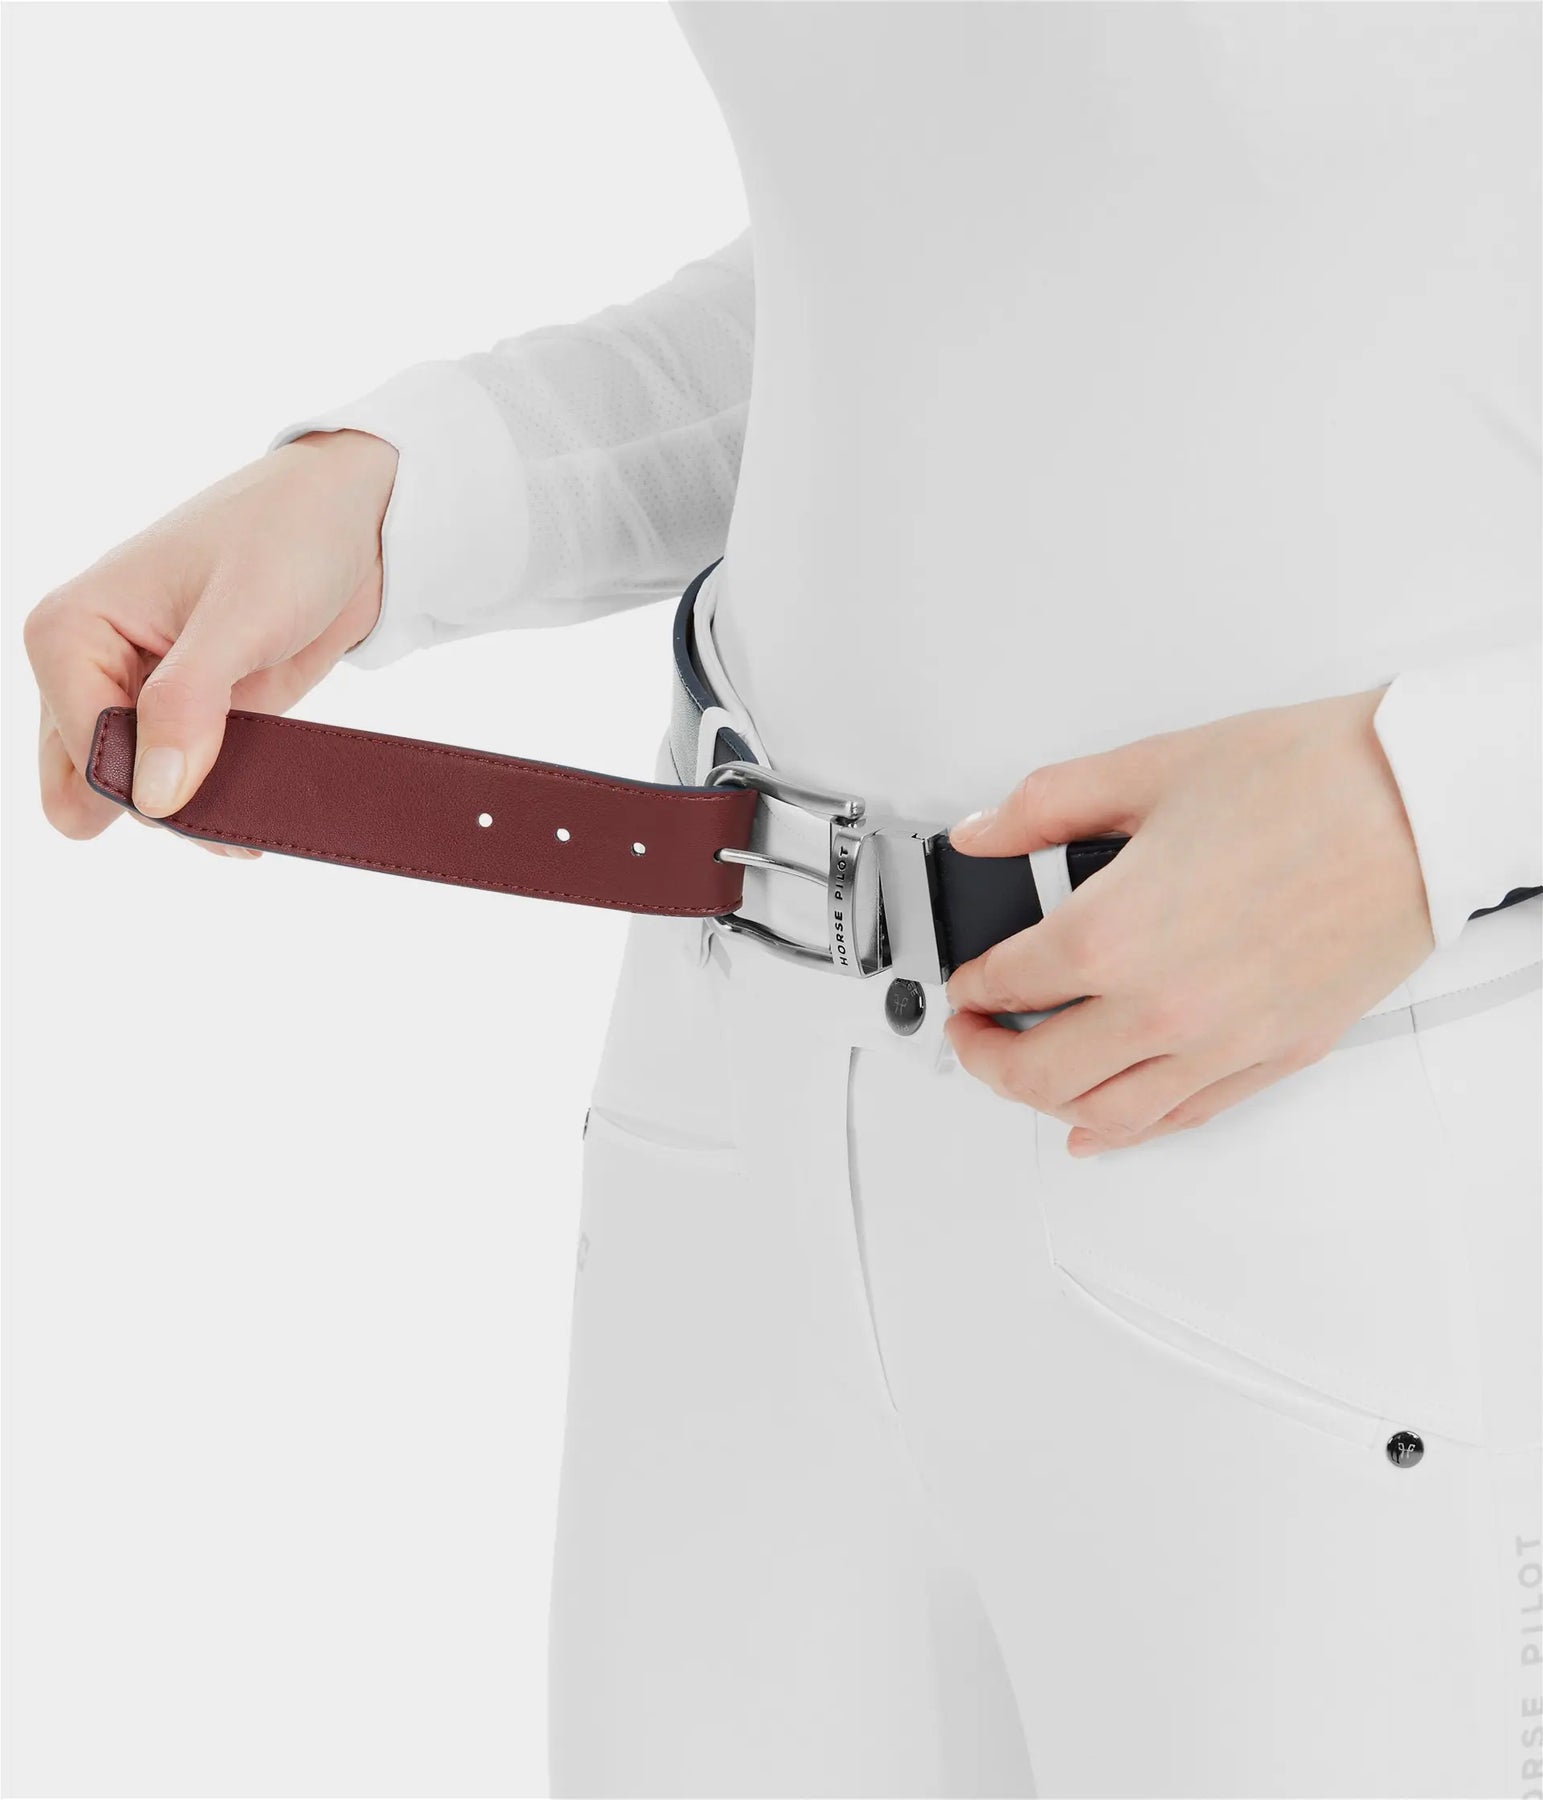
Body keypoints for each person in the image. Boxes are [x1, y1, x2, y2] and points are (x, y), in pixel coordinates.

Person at [25, 5, 1542, 1796]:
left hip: (1322, 1153)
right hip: (731, 1143)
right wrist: (399, 501)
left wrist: (1441, 799)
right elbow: (979, 230)